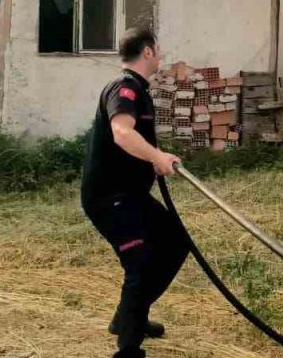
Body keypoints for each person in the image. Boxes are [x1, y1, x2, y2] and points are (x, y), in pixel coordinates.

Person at [81, 27, 189, 358]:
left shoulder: (138, 89)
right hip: (110, 198)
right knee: (140, 263)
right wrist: (157, 157)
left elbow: (132, 143)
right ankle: (128, 347)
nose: (161, 55)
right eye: (158, 49)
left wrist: (153, 161)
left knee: (175, 242)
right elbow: (121, 133)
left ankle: (130, 316)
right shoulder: (124, 88)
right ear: (146, 52)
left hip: (130, 194)